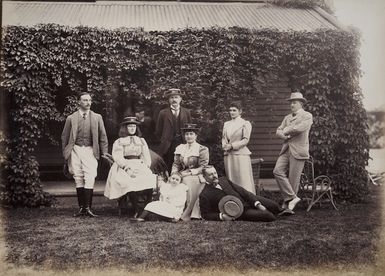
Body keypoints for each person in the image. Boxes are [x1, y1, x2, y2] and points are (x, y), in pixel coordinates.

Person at [61, 92, 108, 217]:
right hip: (75, 149)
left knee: (90, 175)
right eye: (85, 100)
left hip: (90, 150)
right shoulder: (71, 118)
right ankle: (81, 208)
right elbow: (64, 137)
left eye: (90, 100)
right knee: (78, 176)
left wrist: (104, 153)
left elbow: (103, 137)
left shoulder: (97, 117)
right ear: (79, 102)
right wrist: (66, 153)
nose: (88, 103)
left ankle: (88, 207)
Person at [104, 117, 157, 217]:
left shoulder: (141, 141)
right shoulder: (119, 141)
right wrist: (127, 168)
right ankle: (136, 209)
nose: (132, 128)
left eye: (134, 126)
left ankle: (147, 207)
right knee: (130, 182)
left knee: (150, 179)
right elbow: (118, 157)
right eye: (130, 126)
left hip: (139, 164)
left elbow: (146, 156)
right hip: (123, 166)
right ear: (125, 128)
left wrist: (145, 167)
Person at [199, 165, 287, 221]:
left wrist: (257, 204)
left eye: (215, 173)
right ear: (204, 177)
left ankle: (282, 212)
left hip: (247, 200)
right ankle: (272, 214)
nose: (214, 176)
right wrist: (222, 216)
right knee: (268, 216)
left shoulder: (223, 180)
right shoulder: (204, 194)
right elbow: (205, 215)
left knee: (273, 205)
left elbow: (242, 191)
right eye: (211, 174)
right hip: (240, 211)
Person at [273, 92, 313, 211]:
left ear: (301, 103)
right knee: (277, 171)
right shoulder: (287, 117)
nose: (291, 105)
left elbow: (299, 128)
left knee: (293, 179)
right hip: (286, 149)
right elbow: (278, 131)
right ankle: (292, 198)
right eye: (291, 102)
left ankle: (288, 206)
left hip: (299, 151)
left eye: (294, 102)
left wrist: (285, 131)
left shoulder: (307, 116)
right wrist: (283, 135)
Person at [171, 123, 209, 221]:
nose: (189, 136)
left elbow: (203, 166)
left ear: (196, 136)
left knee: (186, 181)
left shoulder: (202, 149)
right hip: (182, 173)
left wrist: (189, 173)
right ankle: (172, 211)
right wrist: (174, 173)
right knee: (172, 181)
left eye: (191, 134)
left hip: (197, 174)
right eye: (187, 134)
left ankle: (188, 212)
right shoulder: (180, 147)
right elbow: (176, 164)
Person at [155, 88, 192, 172]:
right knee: (168, 164)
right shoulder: (163, 113)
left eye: (176, 97)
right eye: (171, 98)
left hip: (182, 142)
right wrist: (164, 139)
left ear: (180, 99)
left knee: (183, 163)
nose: (174, 100)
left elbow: (190, 129)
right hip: (168, 144)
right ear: (168, 100)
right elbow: (158, 131)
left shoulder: (186, 112)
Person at [222, 101, 255, 194]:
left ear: (240, 111)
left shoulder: (245, 123)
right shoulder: (226, 124)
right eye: (230, 110)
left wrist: (232, 146)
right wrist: (224, 145)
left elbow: (245, 140)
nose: (231, 112)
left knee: (243, 179)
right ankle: (235, 202)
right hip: (228, 155)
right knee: (231, 179)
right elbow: (224, 138)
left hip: (241, 154)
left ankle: (249, 200)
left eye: (234, 110)